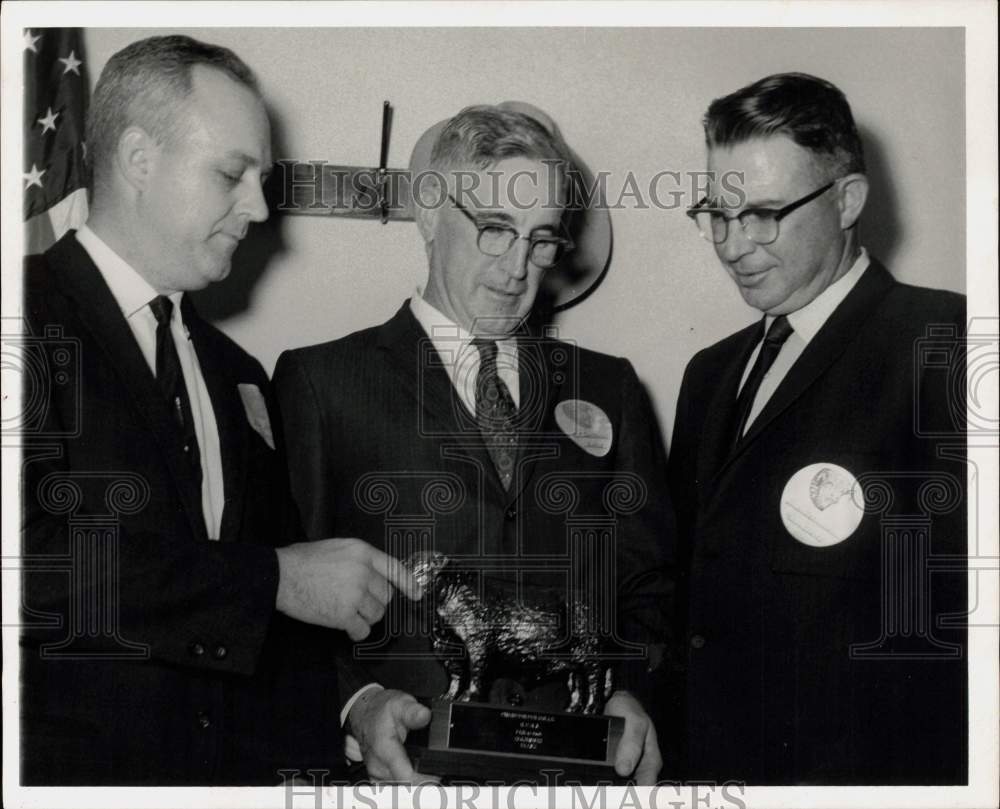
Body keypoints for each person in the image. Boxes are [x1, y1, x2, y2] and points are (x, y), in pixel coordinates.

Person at [20, 35, 419, 786]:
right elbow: (28, 559)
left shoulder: (237, 373)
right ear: (139, 160)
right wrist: (271, 578)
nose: (260, 207)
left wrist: (356, 705)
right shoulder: (22, 317)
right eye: (232, 174)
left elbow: (272, 602)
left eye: (262, 179)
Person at [274, 105, 676, 785]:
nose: (519, 266)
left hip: (574, 780)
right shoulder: (322, 382)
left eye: (541, 239)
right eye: (495, 229)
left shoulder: (608, 386)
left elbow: (647, 583)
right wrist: (358, 705)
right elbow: (285, 594)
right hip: (406, 779)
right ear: (430, 211)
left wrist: (633, 687)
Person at [669, 72, 967, 785]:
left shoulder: (944, 341)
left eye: (764, 213)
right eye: (718, 212)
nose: (734, 244)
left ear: (847, 201)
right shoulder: (708, 373)